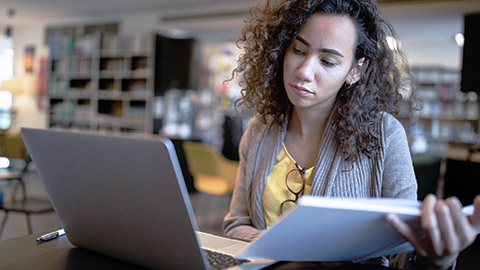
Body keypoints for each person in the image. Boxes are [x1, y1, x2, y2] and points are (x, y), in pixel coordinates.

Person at [223, 0, 480, 269]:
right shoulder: (259, 130)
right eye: (298, 50)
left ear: (354, 71)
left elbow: (402, 251)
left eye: (327, 61)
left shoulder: (384, 135)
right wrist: (285, 251)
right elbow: (236, 224)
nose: (304, 71)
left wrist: (437, 259)